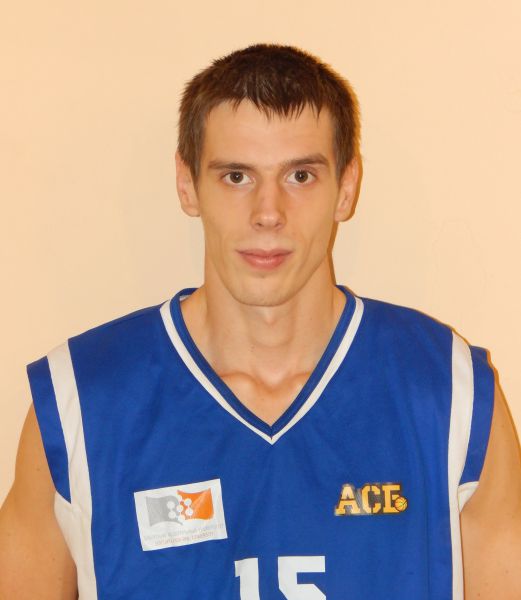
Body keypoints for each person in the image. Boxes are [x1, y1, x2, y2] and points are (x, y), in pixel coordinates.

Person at [0, 43, 520, 600]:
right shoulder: (81, 402)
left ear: (346, 187)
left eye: (300, 175)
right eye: (236, 177)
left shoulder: (450, 393)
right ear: (186, 183)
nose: (268, 213)